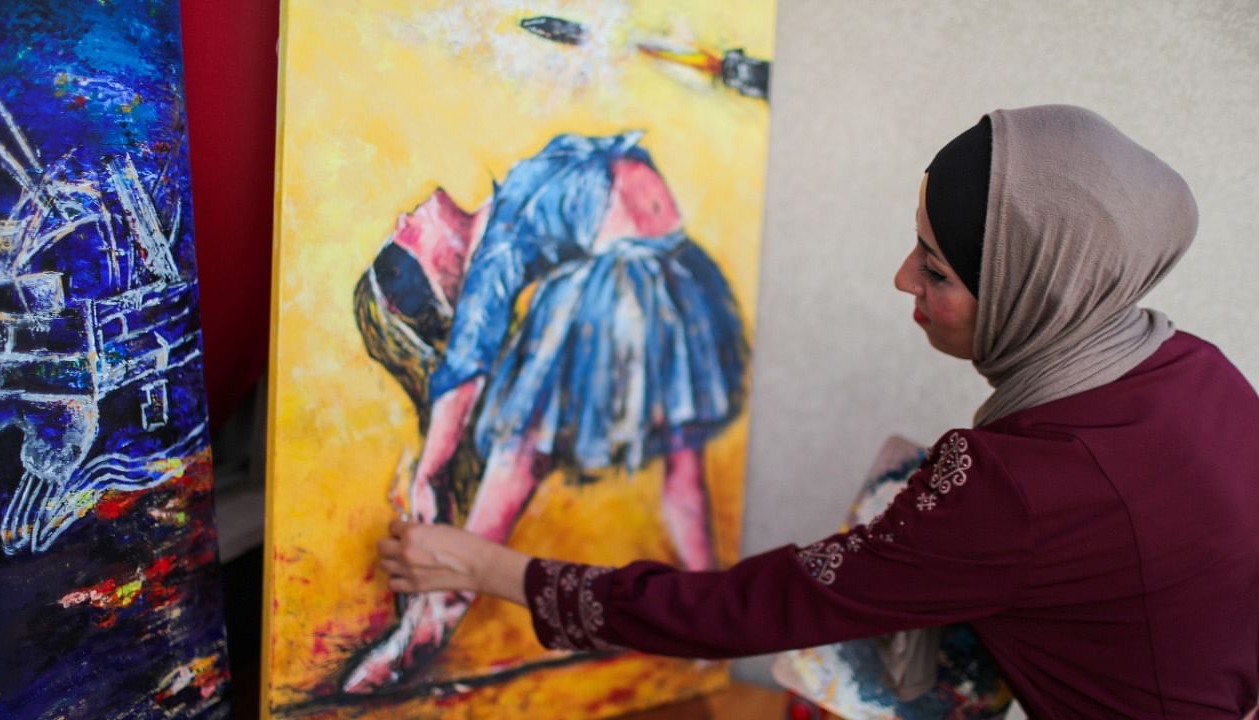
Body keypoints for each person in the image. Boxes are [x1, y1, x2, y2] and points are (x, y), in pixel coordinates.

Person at [375, 105, 1259, 718]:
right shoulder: (1197, 371)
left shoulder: (1014, 490)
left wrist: (490, 568)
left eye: (937, 268)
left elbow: (750, 611)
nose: (903, 279)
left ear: (1038, 289)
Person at [343, 132, 749, 692]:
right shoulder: (495, 254)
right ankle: (429, 625)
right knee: (520, 447)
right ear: (442, 279)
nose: (400, 224)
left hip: (665, 274)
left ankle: (709, 624)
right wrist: (431, 472)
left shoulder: (511, 202)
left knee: (680, 473)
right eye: (399, 257)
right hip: (642, 280)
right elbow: (464, 369)